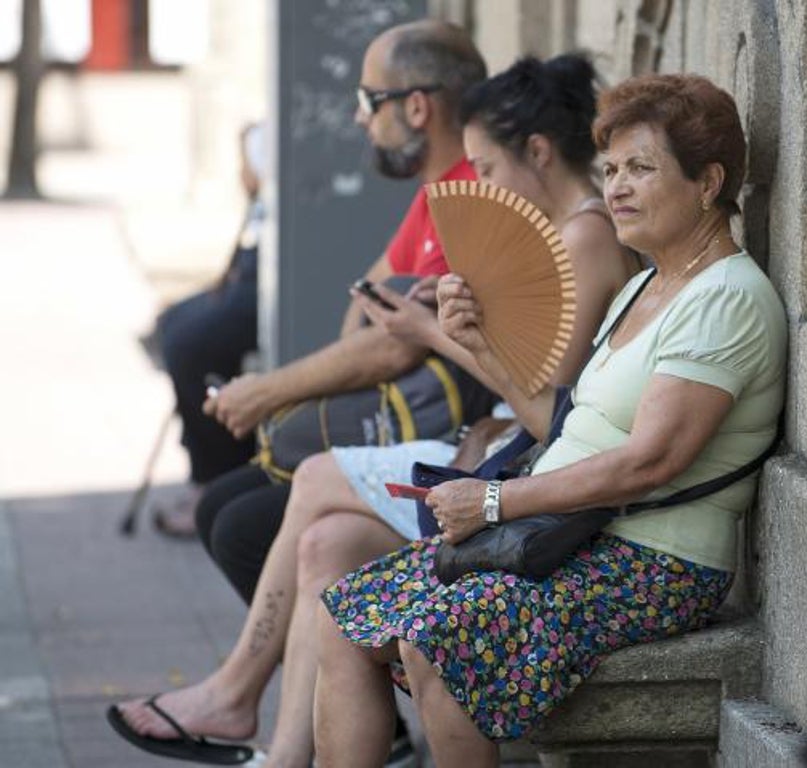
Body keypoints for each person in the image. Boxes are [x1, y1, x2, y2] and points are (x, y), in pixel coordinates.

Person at [108, 53, 636, 768]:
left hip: (531, 480)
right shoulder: (558, 231)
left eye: (485, 168)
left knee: (322, 475)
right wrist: (448, 313)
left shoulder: (586, 236)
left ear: (538, 152)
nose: (480, 185)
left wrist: (436, 336)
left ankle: (236, 692)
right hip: (502, 457)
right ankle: (288, 752)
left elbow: (552, 408)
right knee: (323, 545)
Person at [313, 73, 787, 768]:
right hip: (569, 538)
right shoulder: (644, 286)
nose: (617, 187)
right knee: (346, 613)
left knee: (435, 638)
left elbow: (650, 461)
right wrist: (479, 347)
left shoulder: (727, 299)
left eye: (642, 169)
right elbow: (567, 424)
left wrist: (497, 500)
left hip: (653, 563)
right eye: (612, 169)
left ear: (708, 181)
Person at [189, 19, 486, 597]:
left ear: (418, 108)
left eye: (367, 100)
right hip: (407, 423)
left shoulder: (469, 192)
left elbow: (392, 340)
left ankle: (337, 678)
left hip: (450, 441)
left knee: (238, 526)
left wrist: (267, 391)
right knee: (224, 508)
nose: (358, 117)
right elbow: (365, 309)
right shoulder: (436, 191)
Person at [145, 121, 267, 537]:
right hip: (247, 283)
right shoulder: (259, 200)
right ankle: (199, 454)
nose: (240, 174)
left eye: (245, 164)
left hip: (265, 290)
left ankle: (215, 475)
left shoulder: (272, 193)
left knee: (189, 344)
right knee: (172, 322)